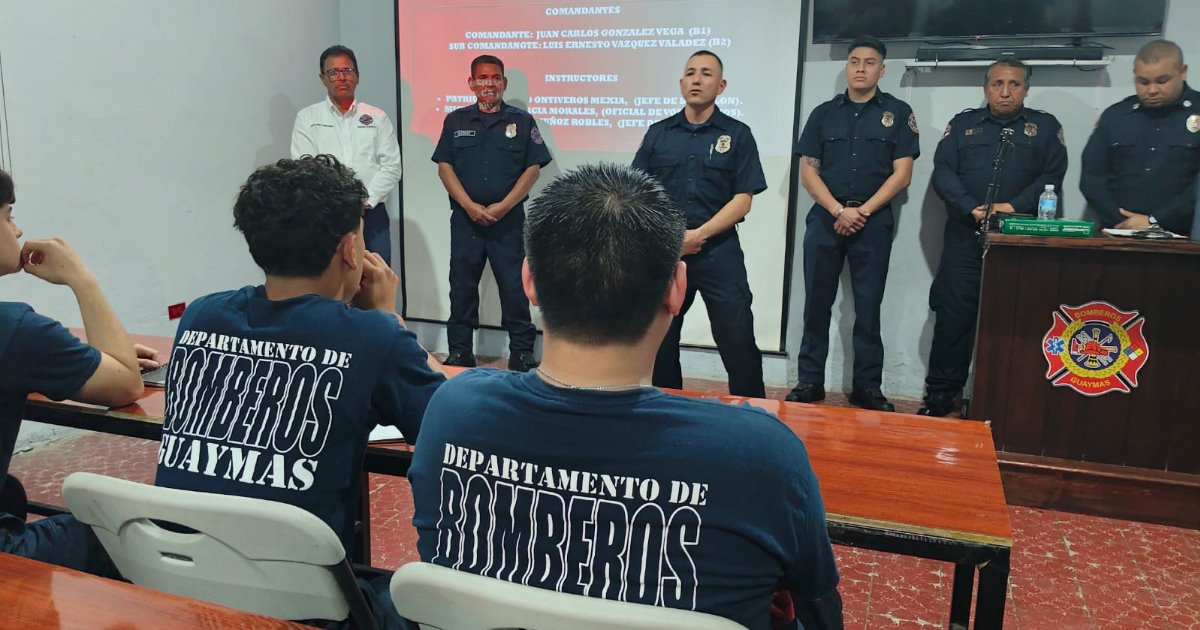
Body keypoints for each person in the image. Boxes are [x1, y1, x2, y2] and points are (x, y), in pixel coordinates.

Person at [408, 164, 842, 630]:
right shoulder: (762, 454)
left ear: (528, 281)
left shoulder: (455, 410)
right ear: (677, 288)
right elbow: (819, 608)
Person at [154, 155, 445, 628]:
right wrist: (389, 318)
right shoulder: (373, 337)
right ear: (351, 250)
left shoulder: (201, 315)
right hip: (307, 606)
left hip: (184, 586)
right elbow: (448, 419)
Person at [0, 167, 157, 572]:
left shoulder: (19, 341)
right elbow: (126, 384)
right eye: (8, 215)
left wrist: (77, 358)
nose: (17, 231)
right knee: (126, 529)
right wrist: (80, 278)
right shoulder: (15, 330)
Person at [918, 60, 1067, 417]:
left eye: (1014, 84)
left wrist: (1012, 206)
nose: (1005, 91)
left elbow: (1053, 175)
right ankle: (941, 396)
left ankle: (1008, 400)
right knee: (953, 317)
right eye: (998, 83)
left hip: (1019, 243)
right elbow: (943, 172)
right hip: (965, 236)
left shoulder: (1044, 128)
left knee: (1016, 321)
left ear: (1026, 89)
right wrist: (971, 207)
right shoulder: (964, 124)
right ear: (985, 88)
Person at [789, 35, 920, 412]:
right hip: (825, 219)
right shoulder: (823, 113)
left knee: (868, 306)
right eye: (854, 61)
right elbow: (808, 173)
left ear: (882, 69)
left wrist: (861, 212)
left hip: (873, 222)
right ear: (846, 67)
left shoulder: (898, 112)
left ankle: (867, 387)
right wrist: (836, 210)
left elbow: (902, 175)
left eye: (869, 62)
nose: (860, 68)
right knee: (816, 303)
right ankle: (809, 381)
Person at [632, 50, 768, 398]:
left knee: (737, 337)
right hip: (666, 252)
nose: (696, 79)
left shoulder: (737, 135)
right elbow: (638, 194)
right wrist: (673, 240)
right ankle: (664, 410)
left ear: (721, 86)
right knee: (661, 341)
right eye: (690, 73)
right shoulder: (658, 134)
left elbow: (743, 199)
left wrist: (697, 236)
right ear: (681, 84)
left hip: (718, 252)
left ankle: (752, 413)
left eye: (706, 73)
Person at [433, 54, 551, 373]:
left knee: (514, 287)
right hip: (465, 220)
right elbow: (445, 168)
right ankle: (459, 351)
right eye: (482, 78)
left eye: (495, 77)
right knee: (461, 286)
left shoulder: (522, 122)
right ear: (471, 84)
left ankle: (522, 353)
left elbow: (533, 169)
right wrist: (470, 206)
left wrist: (504, 206)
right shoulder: (455, 121)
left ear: (504, 83)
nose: (489, 84)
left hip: (508, 221)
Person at [292, 45, 401, 264]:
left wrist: (364, 202)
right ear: (323, 78)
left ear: (357, 77)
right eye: (333, 72)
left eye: (347, 71)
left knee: (376, 280)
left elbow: (392, 167)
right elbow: (304, 168)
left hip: (372, 215)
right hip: (327, 215)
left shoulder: (376, 117)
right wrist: (338, 202)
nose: (341, 77)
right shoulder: (307, 118)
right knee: (332, 281)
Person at [1081, 39, 1200, 236]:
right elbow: (1092, 176)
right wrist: (1123, 221)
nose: (1151, 90)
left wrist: (1155, 220)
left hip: (1184, 235)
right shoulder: (1116, 116)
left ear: (1183, 71)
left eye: (1162, 81)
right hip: (1116, 232)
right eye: (1143, 82)